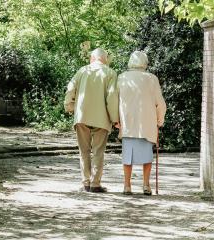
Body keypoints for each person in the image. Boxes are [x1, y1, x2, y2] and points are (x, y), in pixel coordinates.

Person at [64, 48, 119, 193]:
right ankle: (95, 184)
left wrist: (69, 106)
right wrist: (115, 119)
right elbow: (112, 97)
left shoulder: (82, 71)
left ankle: (86, 183)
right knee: (98, 151)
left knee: (84, 151)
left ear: (92, 58)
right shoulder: (110, 73)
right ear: (105, 59)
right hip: (102, 118)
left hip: (82, 117)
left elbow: (70, 89)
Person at [117, 51, 166, 195]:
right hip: (147, 122)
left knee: (127, 156)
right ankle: (146, 185)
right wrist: (159, 120)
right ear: (145, 62)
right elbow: (160, 103)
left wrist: (116, 120)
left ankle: (127, 185)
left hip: (128, 122)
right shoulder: (151, 79)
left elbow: (115, 100)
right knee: (147, 156)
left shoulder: (122, 77)